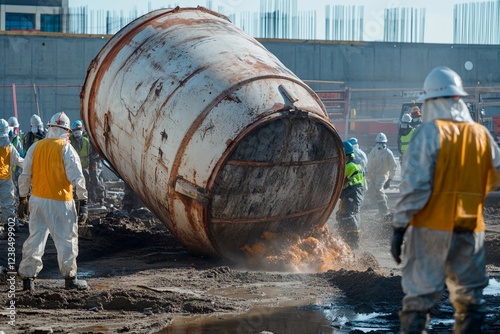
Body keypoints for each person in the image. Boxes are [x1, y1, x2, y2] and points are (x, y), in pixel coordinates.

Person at [390, 66, 500, 333]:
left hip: (431, 230)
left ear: (431, 100)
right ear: (458, 98)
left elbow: (414, 189)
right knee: (470, 302)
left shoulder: (428, 133)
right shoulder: (481, 135)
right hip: (470, 231)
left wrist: (399, 227)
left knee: (418, 300)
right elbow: (494, 177)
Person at [18, 111, 89, 291]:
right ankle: (70, 279)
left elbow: (24, 174)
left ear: (49, 127)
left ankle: (28, 280)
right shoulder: (66, 148)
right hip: (61, 202)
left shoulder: (36, 147)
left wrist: (22, 197)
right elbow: (77, 177)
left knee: (36, 238)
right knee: (66, 240)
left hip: (38, 200)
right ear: (67, 130)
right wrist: (83, 201)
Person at [335, 140, 365, 249]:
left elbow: (339, 180)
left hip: (351, 192)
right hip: (355, 193)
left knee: (347, 215)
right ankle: (346, 237)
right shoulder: (356, 163)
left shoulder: (349, 166)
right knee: (344, 214)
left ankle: (353, 239)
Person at [364, 132, 397, 219]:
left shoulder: (388, 153)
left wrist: (390, 179)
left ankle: (384, 210)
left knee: (379, 189)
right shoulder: (373, 151)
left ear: (385, 143)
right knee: (370, 191)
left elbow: (393, 166)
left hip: (382, 175)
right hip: (373, 174)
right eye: (378, 143)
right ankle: (377, 208)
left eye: (382, 143)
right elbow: (369, 163)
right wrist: (367, 174)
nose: (380, 145)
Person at [0, 119, 24, 236]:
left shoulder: (9, 147)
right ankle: (9, 231)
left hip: (5, 178)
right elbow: (19, 161)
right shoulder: (9, 146)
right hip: (5, 178)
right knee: (8, 205)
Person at [8, 116, 23, 195]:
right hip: (16, 167)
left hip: (9, 167)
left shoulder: (5, 139)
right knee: (15, 186)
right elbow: (20, 154)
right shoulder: (17, 139)